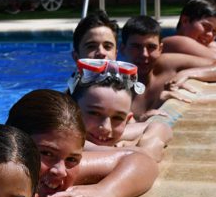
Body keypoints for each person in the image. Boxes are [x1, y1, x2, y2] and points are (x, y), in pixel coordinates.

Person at [6, 89, 159, 197]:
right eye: (46, 153)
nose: (60, 172)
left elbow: (143, 161)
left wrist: (105, 190)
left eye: (72, 159)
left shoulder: (65, 169)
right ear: (14, 144)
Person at [72, 11, 172, 156]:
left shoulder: (120, 92)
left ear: (116, 53)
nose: (101, 53)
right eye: (91, 46)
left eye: (107, 46)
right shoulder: (68, 102)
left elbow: (159, 128)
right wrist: (131, 149)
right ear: (76, 56)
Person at [121, 15, 216, 120]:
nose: (144, 54)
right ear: (122, 49)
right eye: (136, 47)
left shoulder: (168, 64)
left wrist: (189, 73)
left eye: (151, 47)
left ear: (160, 49)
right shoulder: (114, 83)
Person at [67, 58, 171, 162]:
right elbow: (96, 151)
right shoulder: (61, 137)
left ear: (127, 120)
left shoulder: (101, 133)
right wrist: (142, 149)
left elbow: (161, 127)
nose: (106, 128)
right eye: (95, 113)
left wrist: (150, 140)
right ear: (70, 110)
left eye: (117, 117)